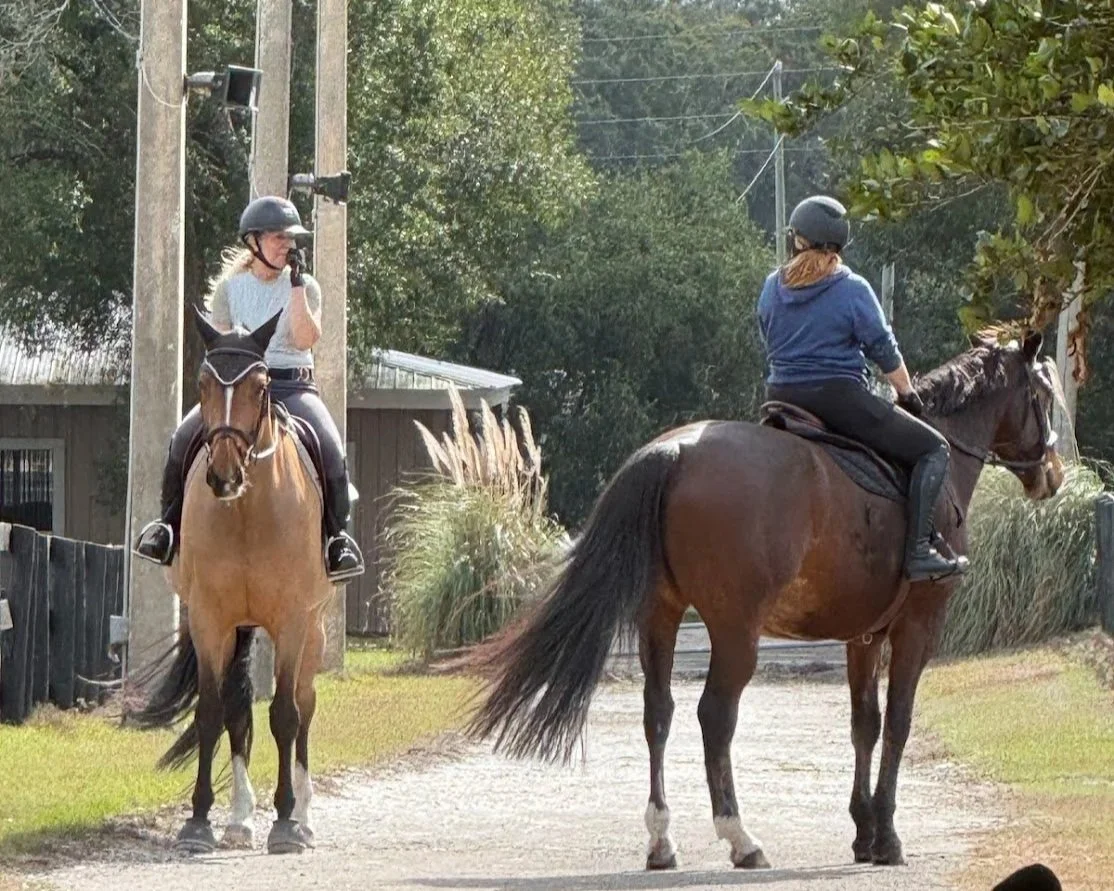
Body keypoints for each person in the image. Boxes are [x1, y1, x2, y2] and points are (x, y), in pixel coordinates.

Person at [133, 195, 365, 582]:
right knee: (182, 439)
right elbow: (222, 347)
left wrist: (295, 286)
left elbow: (305, 339)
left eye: (291, 238)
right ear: (254, 242)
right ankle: (167, 528)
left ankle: (336, 540)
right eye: (278, 237)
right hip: (240, 389)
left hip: (292, 386)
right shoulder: (230, 290)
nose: (287, 245)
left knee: (330, 446)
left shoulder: (306, 287)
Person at [757, 194, 967, 582]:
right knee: (933, 449)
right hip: (838, 400)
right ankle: (919, 553)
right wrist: (907, 394)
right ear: (838, 247)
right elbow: (884, 351)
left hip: (780, 397)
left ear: (795, 239)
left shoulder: (772, 286)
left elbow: (767, 336)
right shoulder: (851, 288)